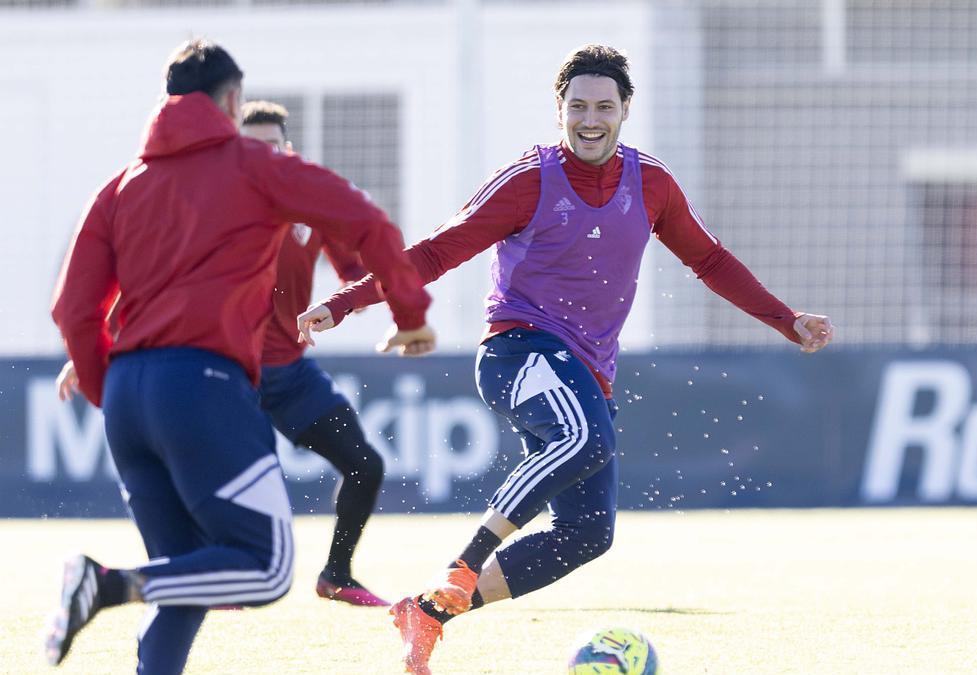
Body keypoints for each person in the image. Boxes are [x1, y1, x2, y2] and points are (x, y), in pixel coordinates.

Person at [298, 44, 834, 674]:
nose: (590, 119)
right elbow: (437, 251)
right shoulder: (529, 179)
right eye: (577, 106)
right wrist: (344, 303)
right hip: (518, 349)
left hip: (586, 372)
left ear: (625, 110)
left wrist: (785, 319)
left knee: (589, 534)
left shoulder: (652, 183)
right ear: (559, 109)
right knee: (586, 438)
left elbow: (709, 260)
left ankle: (430, 613)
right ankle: (464, 565)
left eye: (604, 106)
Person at [46, 39, 433, 673]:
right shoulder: (257, 167)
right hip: (202, 384)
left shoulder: (120, 185)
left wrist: (107, 391)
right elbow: (369, 223)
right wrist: (411, 316)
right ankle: (106, 584)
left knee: (186, 580)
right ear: (232, 100)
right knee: (267, 567)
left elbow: (73, 312)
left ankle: (126, 604)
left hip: (128, 398)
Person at [240, 100, 389, 607]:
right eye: (250, 147)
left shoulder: (308, 201)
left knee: (365, 466)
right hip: (228, 373)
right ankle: (223, 577)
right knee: (244, 484)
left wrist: (359, 293)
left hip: (290, 370)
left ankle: (337, 576)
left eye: (272, 146)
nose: (263, 157)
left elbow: (354, 273)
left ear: (287, 149)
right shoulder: (212, 206)